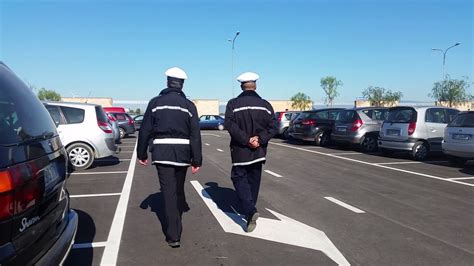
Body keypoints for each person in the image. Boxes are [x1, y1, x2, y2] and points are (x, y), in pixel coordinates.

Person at [137, 67, 202, 248]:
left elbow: (145, 130)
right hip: (182, 154)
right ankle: (176, 221)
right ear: (182, 84)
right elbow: (195, 134)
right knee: (178, 188)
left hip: (162, 153)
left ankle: (174, 235)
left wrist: (141, 153)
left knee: (169, 191)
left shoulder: (155, 103)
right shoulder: (189, 106)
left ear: (167, 82)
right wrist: (197, 160)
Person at [224, 72, 277, 232]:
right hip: (259, 152)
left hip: (241, 151)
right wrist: (259, 139)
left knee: (239, 178)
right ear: (255, 85)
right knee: (254, 181)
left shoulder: (233, 104)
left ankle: (250, 211)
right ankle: (250, 210)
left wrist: (247, 140)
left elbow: (230, 125)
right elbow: (273, 127)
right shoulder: (266, 105)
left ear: (241, 86)